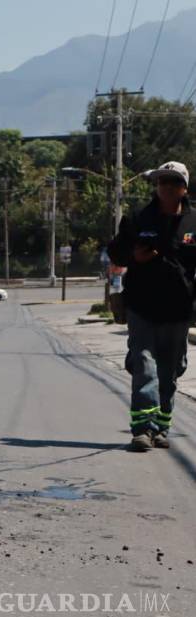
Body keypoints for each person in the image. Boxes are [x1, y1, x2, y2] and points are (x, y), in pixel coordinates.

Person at [106, 161, 196, 450]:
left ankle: (161, 427)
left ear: (184, 188)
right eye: (161, 182)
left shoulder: (194, 223)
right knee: (144, 364)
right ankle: (142, 429)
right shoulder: (138, 218)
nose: (166, 187)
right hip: (142, 306)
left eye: (172, 182)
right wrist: (134, 256)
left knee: (170, 370)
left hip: (179, 309)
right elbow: (116, 254)